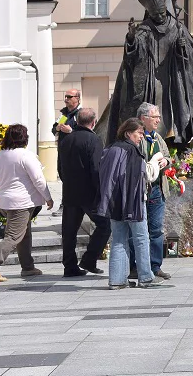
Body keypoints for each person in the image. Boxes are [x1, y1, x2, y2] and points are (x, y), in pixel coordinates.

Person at [98, 118, 164, 290]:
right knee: (141, 238)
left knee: (119, 239)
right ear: (128, 133)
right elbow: (145, 175)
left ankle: (117, 280)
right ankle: (146, 277)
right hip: (133, 201)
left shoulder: (111, 149)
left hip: (114, 201)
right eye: (139, 133)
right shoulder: (132, 151)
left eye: (142, 134)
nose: (141, 137)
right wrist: (154, 162)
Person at [0, 125, 53, 283]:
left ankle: (28, 267)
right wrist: (48, 197)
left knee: (24, 233)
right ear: (24, 138)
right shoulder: (26, 156)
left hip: (4, 200)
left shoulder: (0, 155)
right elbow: (39, 180)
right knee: (13, 236)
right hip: (20, 202)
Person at [56, 106, 110, 277]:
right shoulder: (93, 140)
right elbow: (96, 168)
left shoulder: (66, 140)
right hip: (89, 193)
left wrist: (68, 182)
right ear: (93, 122)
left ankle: (70, 266)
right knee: (104, 226)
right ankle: (89, 259)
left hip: (70, 192)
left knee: (69, 232)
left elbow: (60, 167)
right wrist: (100, 191)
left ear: (77, 121)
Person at [136, 103, 172, 281]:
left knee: (156, 230)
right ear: (144, 119)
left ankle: (155, 266)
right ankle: (136, 267)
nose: (158, 119)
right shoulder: (138, 137)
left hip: (157, 189)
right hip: (141, 190)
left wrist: (166, 161)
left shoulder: (157, 138)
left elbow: (168, 156)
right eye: (155, 116)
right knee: (138, 230)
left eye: (158, 116)